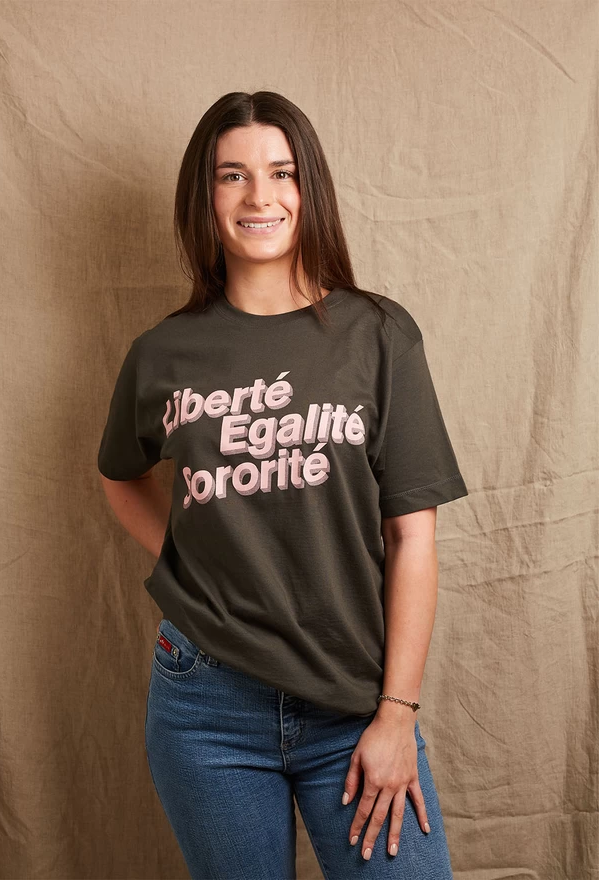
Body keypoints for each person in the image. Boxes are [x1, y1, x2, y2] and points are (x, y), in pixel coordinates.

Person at [97, 91, 468, 880]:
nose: (259, 196)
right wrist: (190, 557)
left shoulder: (378, 335)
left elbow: (412, 536)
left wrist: (397, 712)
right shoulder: (163, 353)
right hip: (206, 702)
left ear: (311, 189)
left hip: (353, 696)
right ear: (205, 198)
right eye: (232, 176)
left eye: (281, 172)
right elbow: (121, 478)